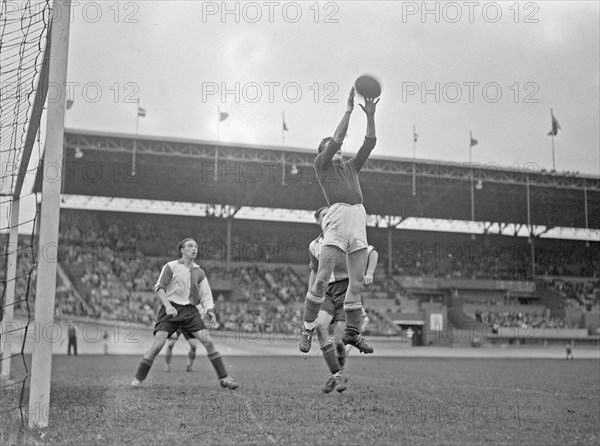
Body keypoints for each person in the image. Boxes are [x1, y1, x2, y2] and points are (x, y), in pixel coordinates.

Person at [300, 86, 378, 355]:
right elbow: (338, 136)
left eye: (340, 149)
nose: (339, 150)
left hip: (357, 216)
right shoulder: (322, 165)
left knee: (355, 285)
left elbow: (369, 142)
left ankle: (353, 334)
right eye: (333, 148)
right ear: (323, 152)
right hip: (338, 217)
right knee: (321, 280)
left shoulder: (351, 167)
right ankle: (308, 327)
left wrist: (369, 114)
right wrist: (348, 110)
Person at [131, 238, 238, 389]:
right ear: (182, 250)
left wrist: (209, 310)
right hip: (171, 310)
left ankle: (224, 378)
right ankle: (138, 378)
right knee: (158, 345)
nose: (194, 249)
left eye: (196, 246)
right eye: (190, 246)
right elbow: (160, 288)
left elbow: (206, 294)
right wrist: (168, 306)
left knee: (208, 342)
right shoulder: (171, 266)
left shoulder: (199, 272)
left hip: (190, 311)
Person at [310, 207, 380, 393]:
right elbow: (315, 270)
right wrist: (311, 294)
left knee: (338, 342)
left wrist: (369, 273)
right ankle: (336, 374)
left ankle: (337, 373)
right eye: (325, 215)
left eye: (331, 214)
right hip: (326, 292)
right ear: (319, 221)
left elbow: (372, 252)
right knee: (319, 326)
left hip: (345, 290)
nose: (330, 217)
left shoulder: (345, 236)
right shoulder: (314, 245)